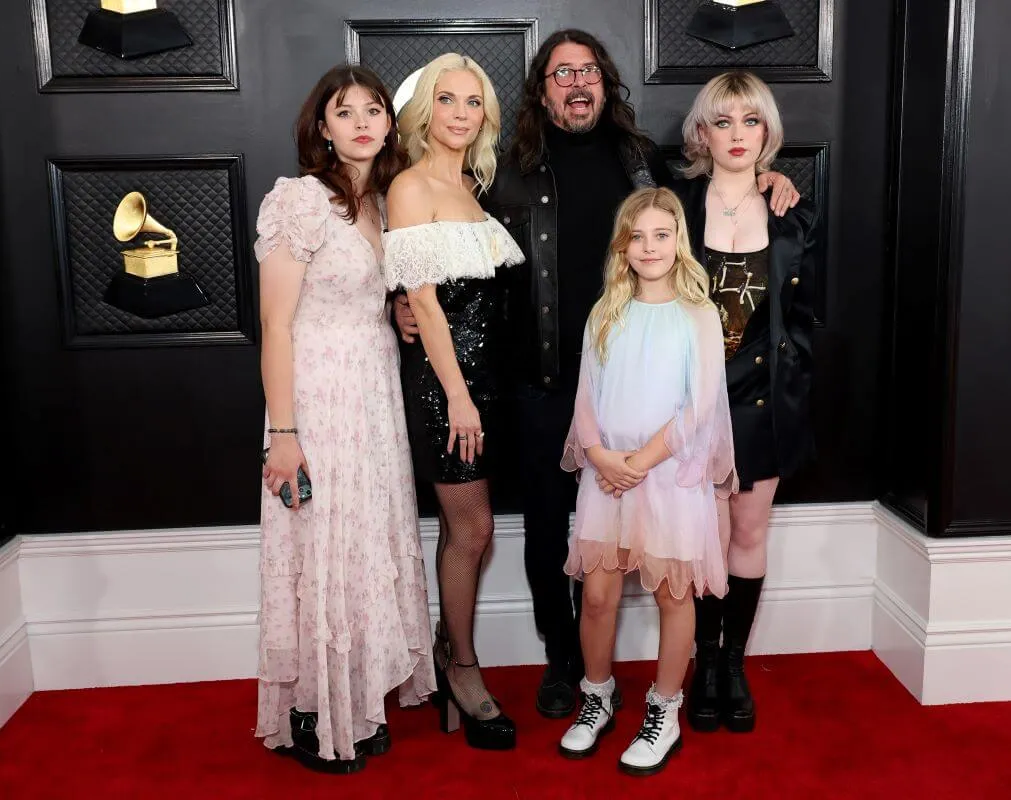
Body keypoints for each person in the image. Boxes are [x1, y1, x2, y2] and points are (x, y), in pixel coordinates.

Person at [395, 29, 799, 719]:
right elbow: (435, 235)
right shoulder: (502, 165)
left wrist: (768, 176)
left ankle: (638, 672)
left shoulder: (641, 159)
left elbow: (697, 216)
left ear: (606, 83)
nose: (576, 82)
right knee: (554, 532)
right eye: (560, 73)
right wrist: (400, 301)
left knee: (637, 534)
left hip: (637, 383)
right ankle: (565, 662)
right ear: (542, 89)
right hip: (544, 382)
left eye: (588, 71)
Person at [254, 65, 435, 774]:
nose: (361, 120)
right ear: (321, 127)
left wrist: (392, 308)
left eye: (374, 109)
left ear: (389, 123)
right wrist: (284, 434)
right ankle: (310, 709)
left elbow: (370, 291)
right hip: (316, 396)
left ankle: (357, 695)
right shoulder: (299, 201)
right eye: (344, 110)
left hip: (374, 393)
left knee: (364, 541)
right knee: (319, 545)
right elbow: (275, 325)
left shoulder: (387, 203)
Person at [556, 187, 735, 776]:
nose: (650, 246)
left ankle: (664, 710)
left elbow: (699, 406)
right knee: (600, 595)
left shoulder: (698, 314)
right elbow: (586, 394)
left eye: (662, 235)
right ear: (622, 245)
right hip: (607, 476)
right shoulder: (606, 310)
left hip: (668, 476)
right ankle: (597, 696)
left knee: (672, 593)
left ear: (678, 240)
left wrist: (640, 461)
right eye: (638, 236)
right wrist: (603, 456)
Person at [672, 70, 823, 734]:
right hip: (695, 401)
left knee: (748, 533)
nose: (738, 135)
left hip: (766, 397)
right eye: (723, 122)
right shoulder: (673, 204)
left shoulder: (795, 211)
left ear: (768, 132)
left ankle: (734, 664)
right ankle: (704, 663)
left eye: (751, 121)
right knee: (703, 538)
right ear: (702, 133)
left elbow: (809, 311)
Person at [382, 53, 525, 751]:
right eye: (449, 100)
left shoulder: (476, 185)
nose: (462, 114)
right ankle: (460, 667)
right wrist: (459, 399)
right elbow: (426, 308)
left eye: (474, 102)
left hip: (488, 380)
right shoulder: (409, 186)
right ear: (425, 112)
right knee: (473, 530)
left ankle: (451, 651)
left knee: (468, 528)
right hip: (447, 387)